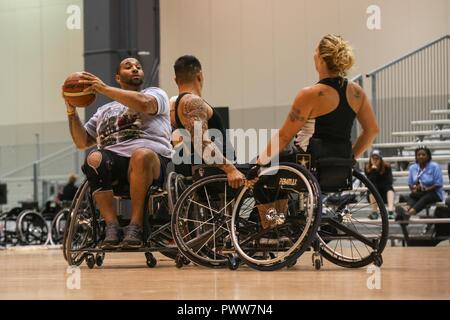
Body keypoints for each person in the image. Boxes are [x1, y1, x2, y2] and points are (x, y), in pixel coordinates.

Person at [62, 57, 173, 249]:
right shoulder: (103, 110)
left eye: (138, 67)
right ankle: (111, 226)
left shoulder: (155, 93)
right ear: (117, 77)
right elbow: (82, 142)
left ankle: (136, 226)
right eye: (128, 67)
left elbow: (146, 104)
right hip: (114, 165)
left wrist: (103, 89)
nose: (135, 69)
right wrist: (71, 110)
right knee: (94, 158)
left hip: (151, 162)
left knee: (141, 155)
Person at [247, 34, 379, 179]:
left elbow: (284, 136)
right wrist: (350, 159)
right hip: (340, 164)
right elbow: (372, 131)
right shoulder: (357, 92)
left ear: (321, 59)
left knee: (262, 173)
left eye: (315, 52)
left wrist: (259, 162)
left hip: (308, 162)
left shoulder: (310, 94)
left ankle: (277, 200)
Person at [169, 55, 244, 188]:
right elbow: (201, 144)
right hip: (217, 174)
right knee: (270, 174)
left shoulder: (177, 106)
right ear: (200, 76)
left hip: (212, 171)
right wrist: (231, 169)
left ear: (176, 80)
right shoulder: (192, 102)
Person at [396, 147, 444, 220]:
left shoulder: (434, 166)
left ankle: (409, 213)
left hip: (434, 193)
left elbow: (438, 184)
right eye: (418, 155)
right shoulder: (413, 167)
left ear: (428, 156)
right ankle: (406, 209)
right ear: (416, 156)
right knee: (413, 196)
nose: (421, 156)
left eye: (423, 154)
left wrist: (424, 189)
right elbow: (410, 183)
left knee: (424, 198)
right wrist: (413, 189)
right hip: (420, 193)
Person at [365, 150, 395, 220]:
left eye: (377, 158)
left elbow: (389, 181)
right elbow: (369, 183)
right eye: (373, 158)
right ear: (370, 159)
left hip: (384, 194)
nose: (375, 160)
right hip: (374, 195)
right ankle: (375, 213)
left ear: (380, 159)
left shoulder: (387, 167)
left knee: (389, 188)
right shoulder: (368, 168)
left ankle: (390, 212)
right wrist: (374, 171)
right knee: (371, 188)